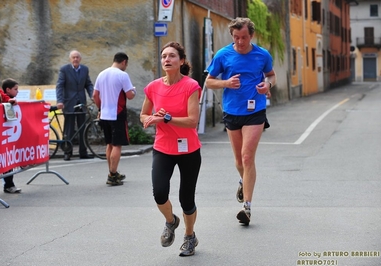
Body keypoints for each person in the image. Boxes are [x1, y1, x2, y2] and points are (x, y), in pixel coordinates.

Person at [205, 17, 277, 226]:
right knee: (238, 161)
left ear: (251, 35)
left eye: (244, 37)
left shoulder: (262, 55)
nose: (240, 41)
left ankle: (247, 207)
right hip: (232, 111)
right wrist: (226, 82)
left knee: (247, 157)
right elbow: (209, 82)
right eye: (236, 37)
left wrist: (267, 85)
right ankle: (242, 180)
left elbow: (271, 75)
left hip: (255, 111)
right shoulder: (223, 55)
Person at [140, 42, 202, 256]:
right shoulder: (153, 87)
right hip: (163, 148)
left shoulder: (191, 86)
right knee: (159, 193)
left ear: (181, 61)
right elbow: (143, 115)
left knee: (187, 199)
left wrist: (166, 118)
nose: (167, 59)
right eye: (164, 56)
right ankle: (171, 221)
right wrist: (151, 118)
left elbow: (193, 121)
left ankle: (189, 236)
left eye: (172, 56)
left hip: (189, 150)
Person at [93, 52, 136, 186]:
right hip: (117, 113)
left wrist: (100, 108)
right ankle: (112, 175)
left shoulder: (101, 74)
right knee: (117, 145)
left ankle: (113, 172)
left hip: (104, 114)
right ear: (124, 62)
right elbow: (130, 95)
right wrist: (134, 91)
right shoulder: (122, 75)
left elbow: (95, 95)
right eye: (126, 64)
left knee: (109, 144)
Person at [56, 50, 94, 160]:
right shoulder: (64, 70)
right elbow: (60, 86)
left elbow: (88, 84)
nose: (75, 59)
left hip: (81, 102)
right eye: (73, 57)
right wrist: (60, 100)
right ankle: (67, 152)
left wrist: (92, 95)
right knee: (69, 128)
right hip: (69, 102)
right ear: (70, 59)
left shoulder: (85, 69)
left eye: (77, 57)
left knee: (83, 127)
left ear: (80, 59)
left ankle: (83, 152)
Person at [1, 78, 22, 194]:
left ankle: (9, 184)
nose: (17, 91)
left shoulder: (11, 102)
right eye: (15, 89)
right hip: (3, 136)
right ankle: (8, 184)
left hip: (8, 136)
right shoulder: (2, 101)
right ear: (8, 90)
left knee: (8, 160)